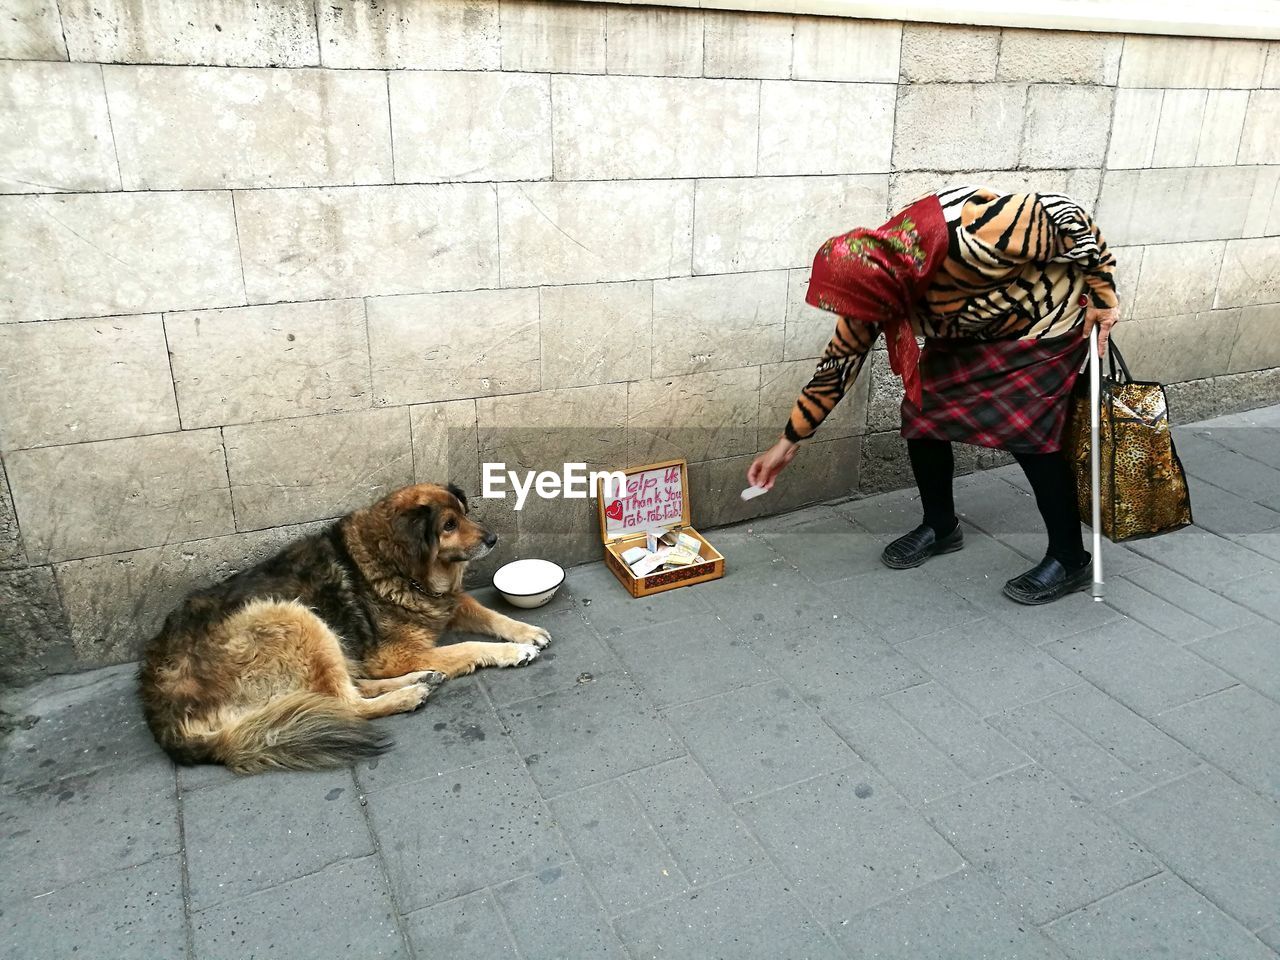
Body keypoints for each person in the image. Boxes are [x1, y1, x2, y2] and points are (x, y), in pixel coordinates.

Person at [748, 186, 1119, 605]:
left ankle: (1070, 557)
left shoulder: (975, 232)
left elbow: (1065, 214)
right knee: (923, 417)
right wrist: (789, 441)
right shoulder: (874, 285)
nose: (856, 319)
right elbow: (839, 362)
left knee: (1028, 433)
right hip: (971, 324)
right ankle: (941, 526)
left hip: (1043, 317)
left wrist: (1104, 294)